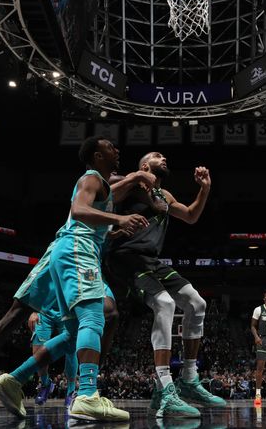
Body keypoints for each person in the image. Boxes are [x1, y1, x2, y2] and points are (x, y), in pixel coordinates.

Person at [0, 136, 152, 422]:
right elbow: (79, 210)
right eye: (110, 147)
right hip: (75, 251)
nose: (117, 150)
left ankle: (9, 380)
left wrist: (115, 229)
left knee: (42, 320)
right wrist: (123, 212)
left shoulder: (103, 190)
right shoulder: (92, 177)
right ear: (97, 156)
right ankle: (86, 394)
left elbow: (102, 206)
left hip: (59, 253)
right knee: (96, 314)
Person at [105, 152, 224, 418]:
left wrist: (205, 189)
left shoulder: (165, 195)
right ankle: (165, 386)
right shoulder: (131, 183)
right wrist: (135, 178)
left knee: (197, 303)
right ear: (145, 165)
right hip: (125, 258)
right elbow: (104, 195)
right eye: (158, 156)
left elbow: (192, 216)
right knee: (165, 303)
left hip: (152, 261)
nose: (165, 157)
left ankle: (189, 380)